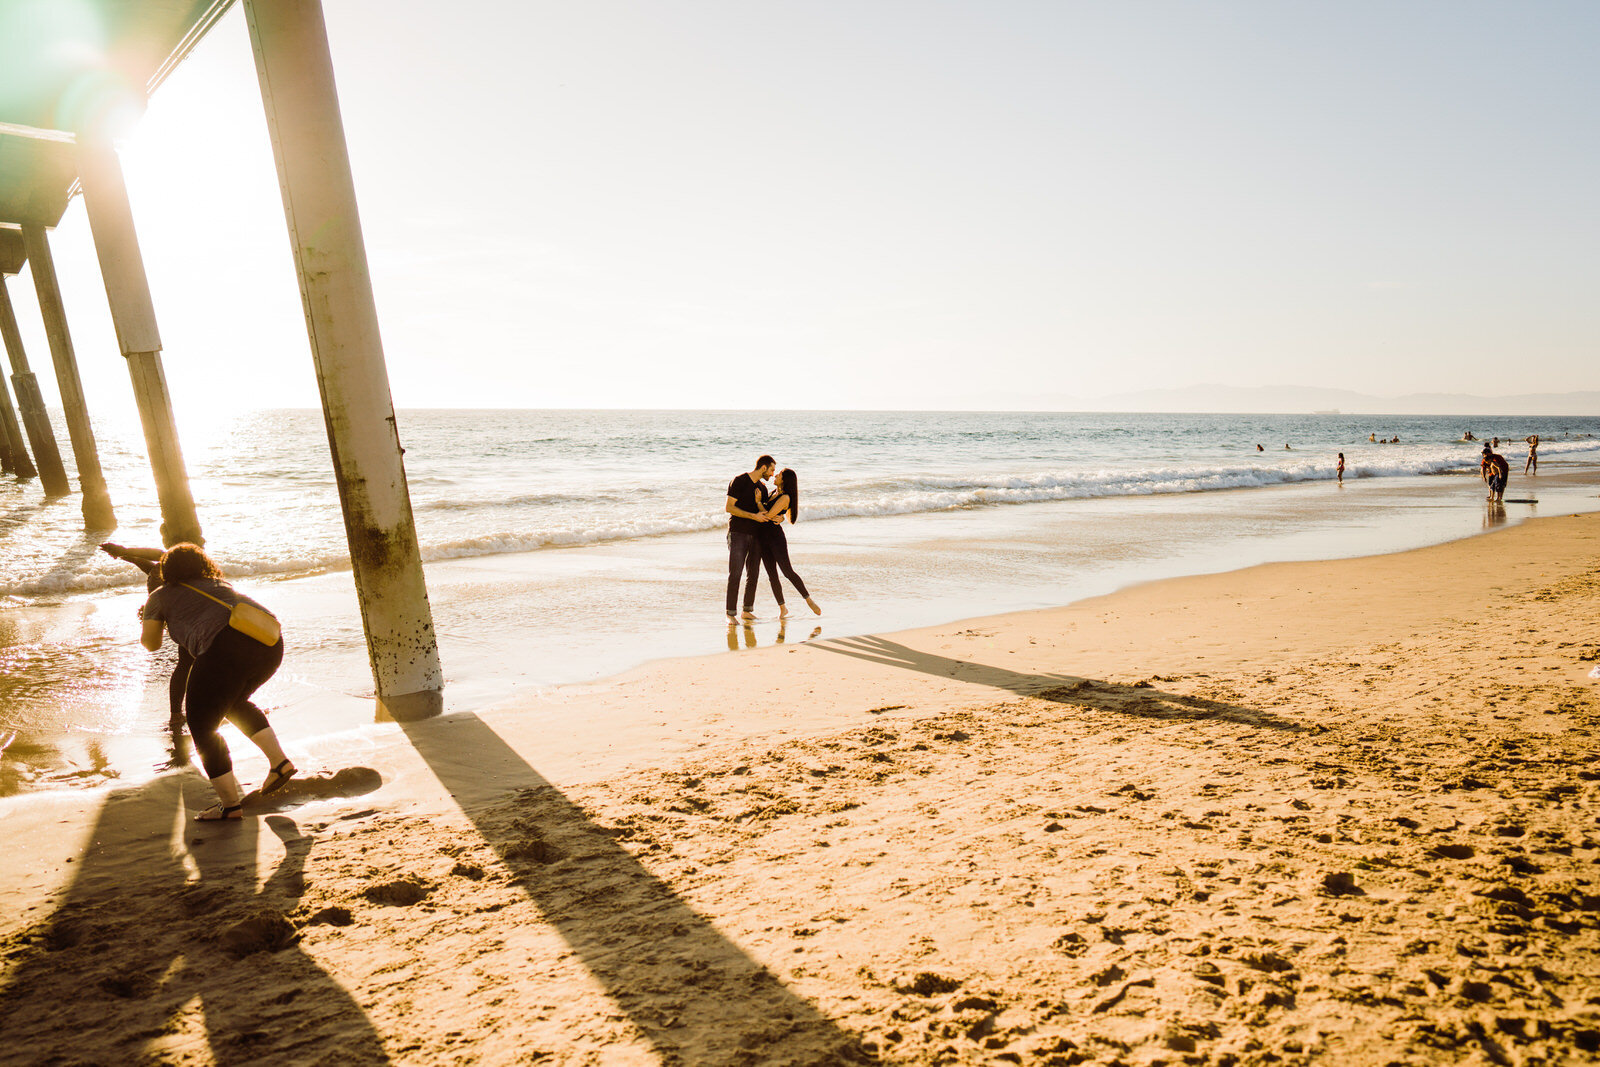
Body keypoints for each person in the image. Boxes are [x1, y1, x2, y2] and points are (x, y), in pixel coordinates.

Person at [140, 543, 294, 820]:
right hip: (271, 644)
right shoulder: (218, 584)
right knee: (233, 704)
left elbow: (150, 643)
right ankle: (279, 764)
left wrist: (149, 619)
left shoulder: (160, 596)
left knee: (201, 725)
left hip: (226, 647)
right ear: (202, 564)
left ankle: (230, 806)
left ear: (166, 570)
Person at [101, 542, 192, 765]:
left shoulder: (174, 573)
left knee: (188, 663)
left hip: (184, 611)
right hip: (177, 614)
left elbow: (157, 558)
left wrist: (124, 551)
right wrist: (124, 553)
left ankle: (180, 714)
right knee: (185, 663)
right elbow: (152, 561)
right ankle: (176, 715)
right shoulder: (162, 573)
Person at [755, 467, 821, 617]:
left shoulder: (785, 497)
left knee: (787, 571)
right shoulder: (773, 493)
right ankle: (782, 608)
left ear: (784, 480)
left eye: (779, 475)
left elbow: (767, 515)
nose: (775, 475)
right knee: (772, 575)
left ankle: (809, 600)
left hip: (775, 538)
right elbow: (770, 515)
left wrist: (759, 503)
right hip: (763, 538)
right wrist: (776, 516)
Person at [725, 454, 775, 621]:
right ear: (763, 467)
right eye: (771, 470)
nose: (772, 474)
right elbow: (729, 507)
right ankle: (730, 614)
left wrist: (778, 517)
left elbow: (765, 513)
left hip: (757, 536)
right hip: (738, 532)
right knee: (736, 573)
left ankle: (746, 610)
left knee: (753, 573)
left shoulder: (763, 489)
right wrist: (753, 516)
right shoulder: (739, 481)